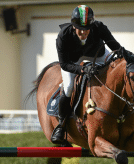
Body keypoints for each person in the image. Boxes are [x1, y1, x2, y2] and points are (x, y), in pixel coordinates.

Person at [51, 5, 122, 144]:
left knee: (114, 69)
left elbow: (115, 46)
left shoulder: (99, 27)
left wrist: (126, 56)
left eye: (87, 29)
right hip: (73, 60)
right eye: (80, 30)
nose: (84, 33)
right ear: (73, 26)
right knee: (69, 86)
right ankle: (62, 125)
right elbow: (64, 64)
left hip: (98, 55)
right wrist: (83, 70)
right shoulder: (63, 36)